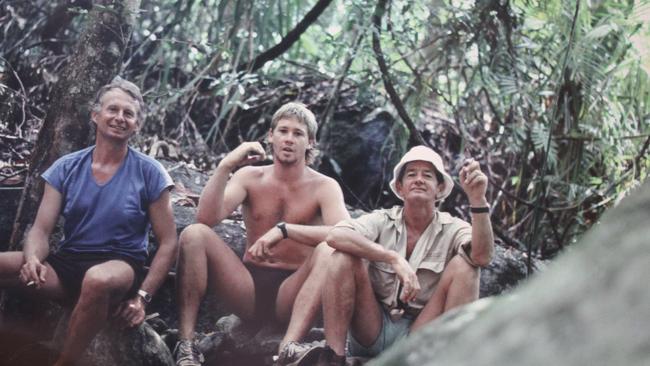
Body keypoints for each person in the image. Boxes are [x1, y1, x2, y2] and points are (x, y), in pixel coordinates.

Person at [0, 77, 178, 366]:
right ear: (95, 115)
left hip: (119, 266)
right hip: (67, 264)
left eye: (128, 113)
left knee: (97, 279)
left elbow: (169, 241)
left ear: (137, 124)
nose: (120, 118)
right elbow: (42, 229)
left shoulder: (150, 172)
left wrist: (142, 298)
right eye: (112, 109)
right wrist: (33, 258)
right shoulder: (66, 167)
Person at [174, 102, 350, 366]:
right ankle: (186, 345)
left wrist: (286, 230)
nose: (289, 139)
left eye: (298, 134)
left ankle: (289, 347)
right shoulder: (249, 177)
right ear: (271, 136)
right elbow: (206, 218)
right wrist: (225, 166)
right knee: (194, 234)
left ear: (310, 142)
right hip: (247, 288)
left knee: (330, 248)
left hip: (293, 292)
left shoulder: (324, 186)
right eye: (283, 131)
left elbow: (346, 233)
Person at [309, 145, 495, 365]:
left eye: (427, 175)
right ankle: (333, 358)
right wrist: (392, 257)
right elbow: (336, 235)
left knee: (466, 267)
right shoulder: (382, 219)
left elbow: (482, 257)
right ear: (400, 187)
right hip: (371, 329)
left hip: (420, 335)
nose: (419, 179)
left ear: (439, 189)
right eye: (411, 175)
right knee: (343, 256)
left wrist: (477, 200)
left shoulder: (453, 227)